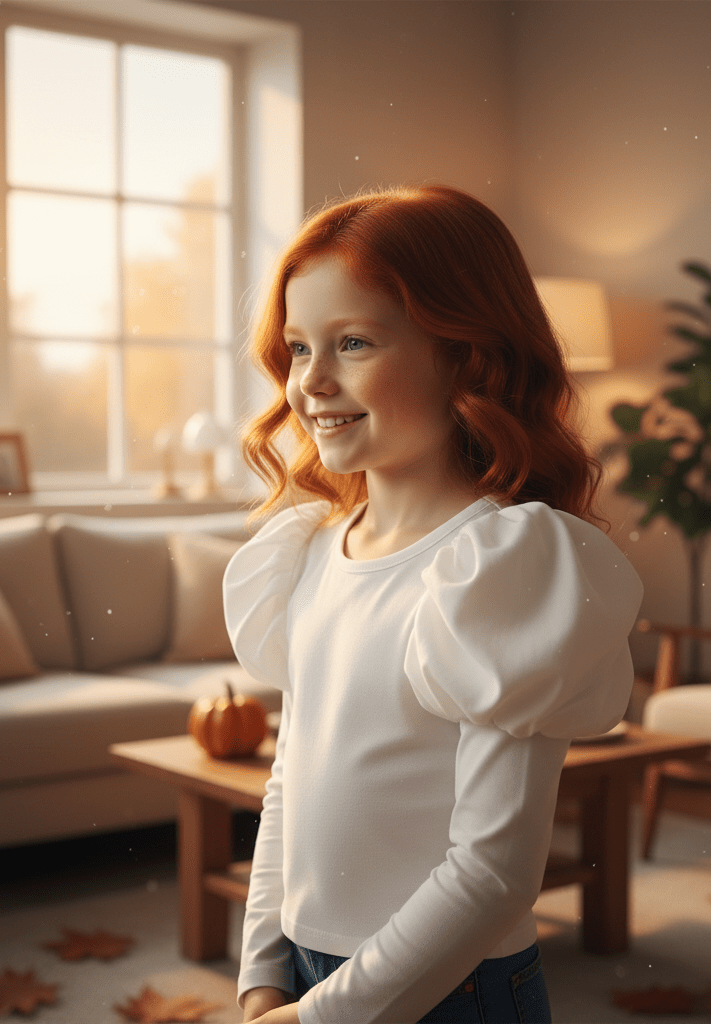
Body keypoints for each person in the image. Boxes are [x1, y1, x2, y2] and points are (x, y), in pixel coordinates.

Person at [224, 184, 643, 1024]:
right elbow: (289, 783)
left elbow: (493, 875)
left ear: (466, 355)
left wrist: (318, 1018)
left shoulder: (503, 571)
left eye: (352, 342)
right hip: (306, 977)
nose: (312, 383)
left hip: (453, 992)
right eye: (299, 348)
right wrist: (264, 972)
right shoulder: (309, 552)